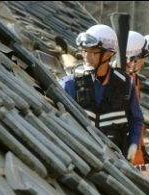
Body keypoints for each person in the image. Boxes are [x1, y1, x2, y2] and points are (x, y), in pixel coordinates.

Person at [61, 24, 143, 160]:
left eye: (93, 52)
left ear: (108, 53)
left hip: (116, 161)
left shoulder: (126, 84)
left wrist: (133, 143)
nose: (86, 56)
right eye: (84, 51)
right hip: (81, 159)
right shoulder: (70, 84)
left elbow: (136, 119)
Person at [124, 31, 149, 165]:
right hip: (123, 143)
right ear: (133, 58)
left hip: (135, 144)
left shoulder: (134, 79)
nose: (144, 62)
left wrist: (141, 148)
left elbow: (136, 118)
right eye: (142, 57)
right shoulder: (120, 80)